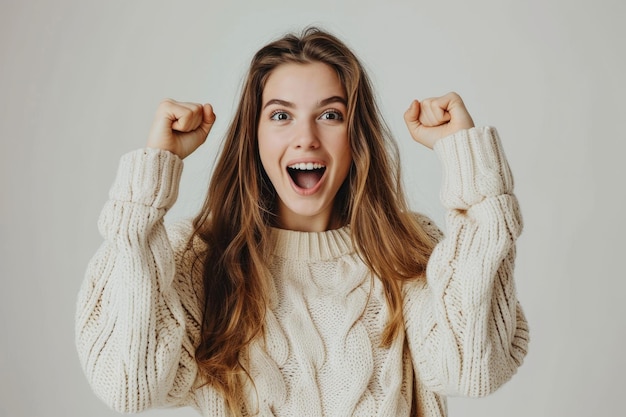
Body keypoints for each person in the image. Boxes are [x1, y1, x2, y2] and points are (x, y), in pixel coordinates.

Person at [75, 27, 528, 417]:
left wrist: (471, 168)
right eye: (281, 116)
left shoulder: (405, 248)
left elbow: (473, 370)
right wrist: (148, 187)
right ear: (254, 134)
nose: (306, 138)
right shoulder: (199, 259)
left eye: (330, 115)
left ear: (356, 135)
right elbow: (128, 384)